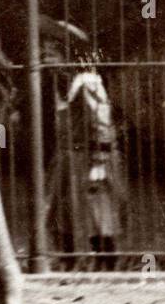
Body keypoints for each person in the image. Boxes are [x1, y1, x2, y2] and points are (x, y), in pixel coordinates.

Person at [39, 17, 125, 271]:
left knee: (97, 211)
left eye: (52, 52)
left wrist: (100, 160)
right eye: (44, 52)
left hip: (90, 157)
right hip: (68, 157)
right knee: (61, 213)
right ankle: (69, 262)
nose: (45, 57)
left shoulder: (87, 81)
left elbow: (101, 121)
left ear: (67, 53)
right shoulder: (60, 83)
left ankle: (106, 262)